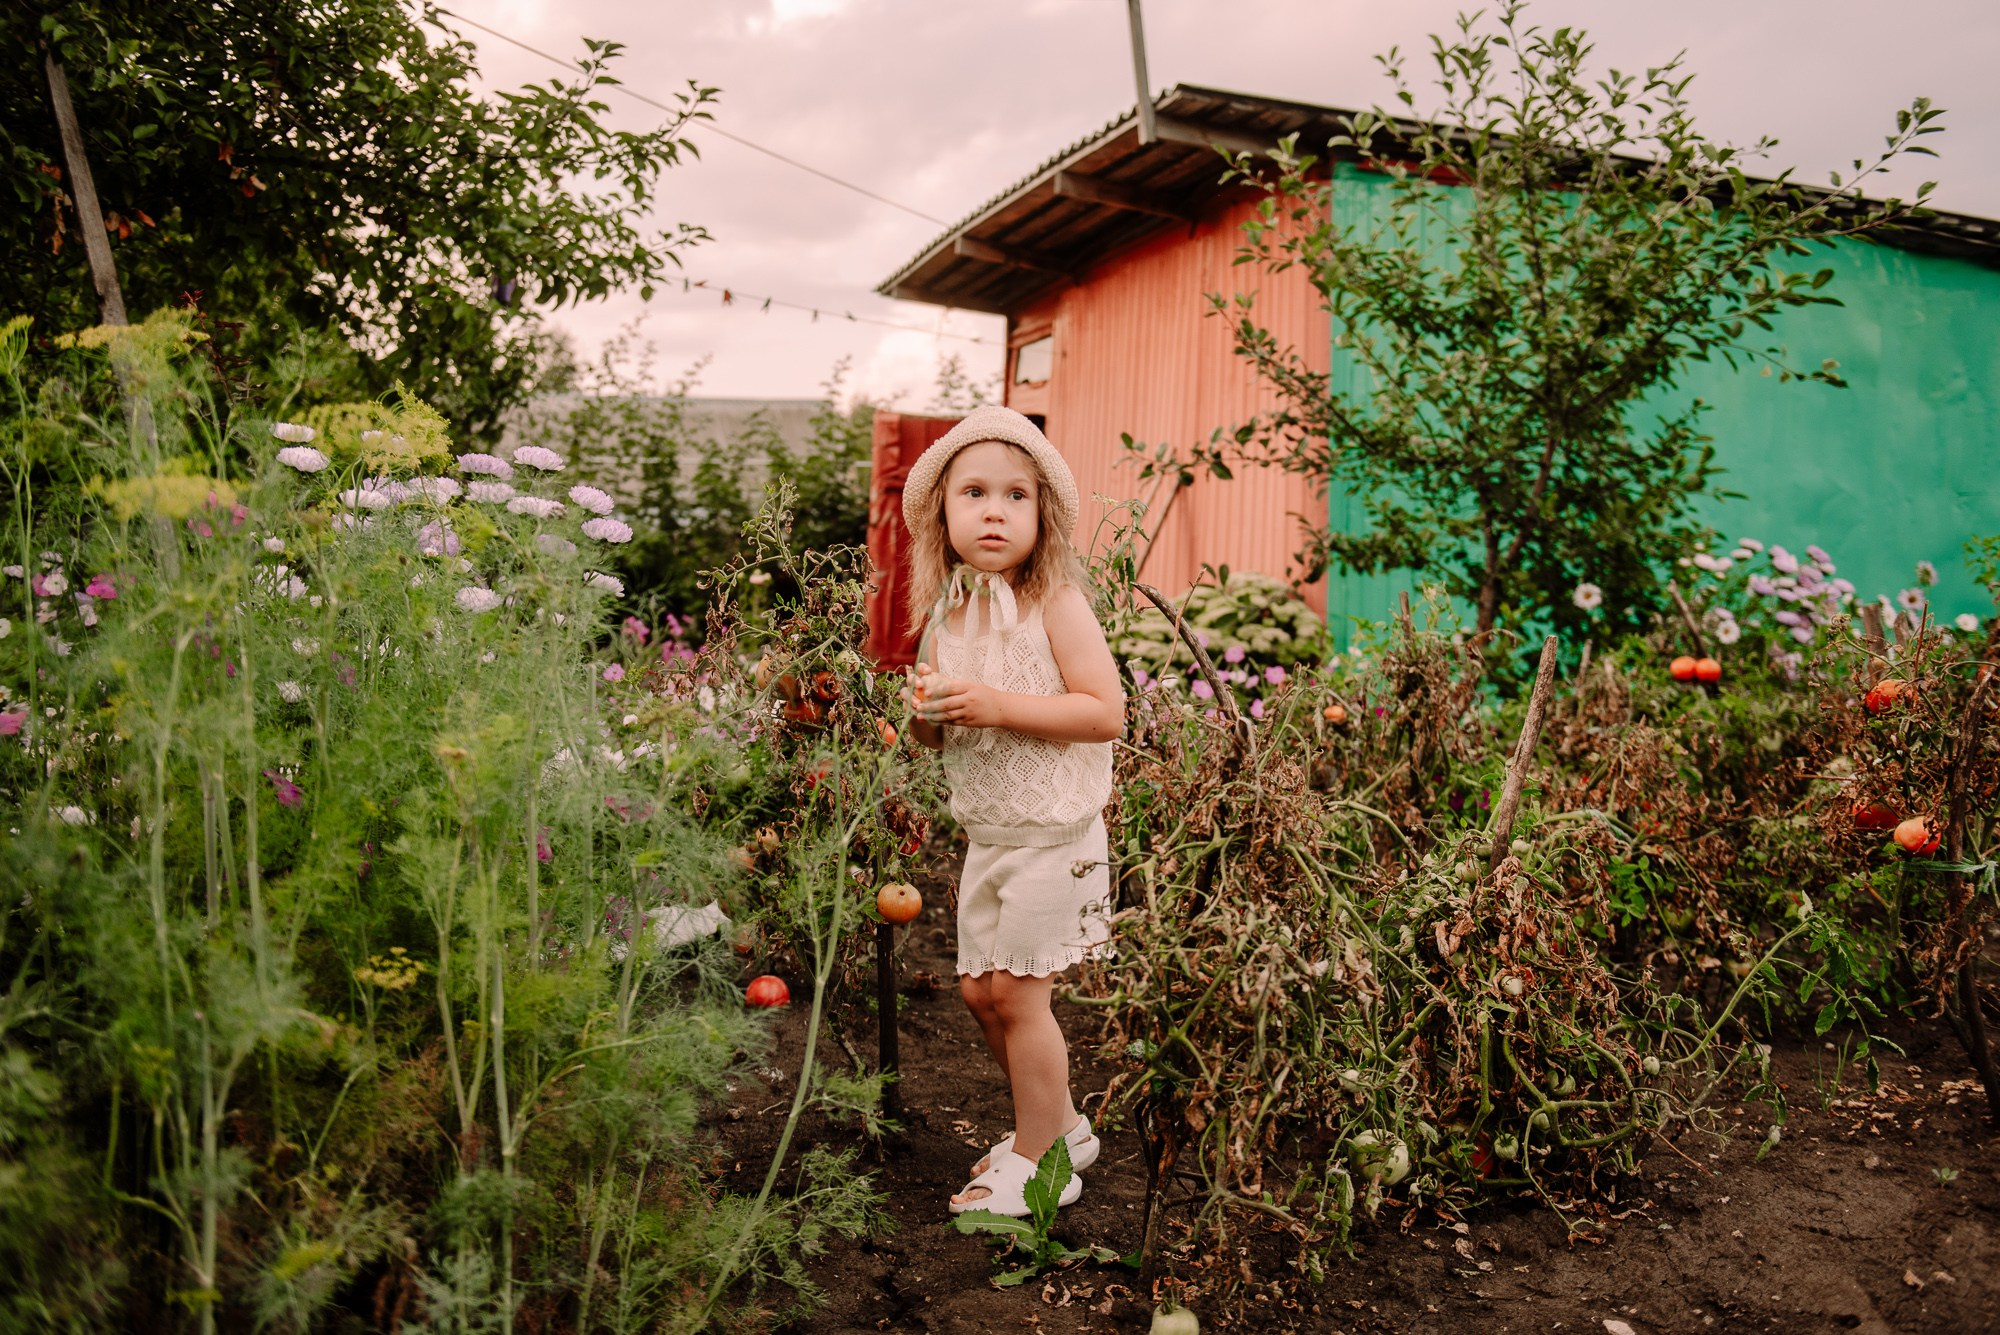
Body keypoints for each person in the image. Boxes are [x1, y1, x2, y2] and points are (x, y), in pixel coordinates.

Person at [897, 406, 1124, 1218]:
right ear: (943, 515)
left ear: (1042, 516)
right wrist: (927, 712)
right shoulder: (947, 614)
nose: (994, 509)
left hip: (1056, 835)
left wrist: (996, 702)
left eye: (1015, 495)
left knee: (1023, 997)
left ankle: (1042, 1160)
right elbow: (931, 737)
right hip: (989, 834)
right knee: (981, 993)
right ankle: (1057, 1121)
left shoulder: (1053, 602)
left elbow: (1105, 712)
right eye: (975, 493)